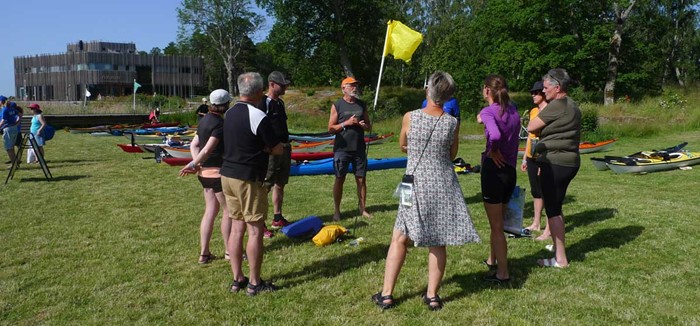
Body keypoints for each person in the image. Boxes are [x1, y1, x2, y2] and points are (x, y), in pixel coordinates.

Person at [372, 72, 480, 311]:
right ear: (449, 95)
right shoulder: (452, 122)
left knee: (399, 237)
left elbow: (402, 145)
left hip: (413, 184)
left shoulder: (410, 117)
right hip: (443, 185)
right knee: (438, 241)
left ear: (428, 91)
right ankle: (432, 296)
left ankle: (387, 294)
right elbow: (452, 155)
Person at [220, 72, 283, 295]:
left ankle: (237, 279)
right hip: (248, 177)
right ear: (259, 92)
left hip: (227, 175)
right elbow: (277, 148)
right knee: (255, 230)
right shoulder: (257, 115)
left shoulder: (228, 113)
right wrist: (263, 149)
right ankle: (255, 282)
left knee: (237, 228)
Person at [527, 68, 581, 268]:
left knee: (553, 210)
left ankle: (561, 259)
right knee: (556, 205)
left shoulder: (556, 105)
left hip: (555, 162)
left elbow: (532, 126)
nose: (543, 90)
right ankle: (558, 248)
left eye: (546, 87)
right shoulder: (573, 105)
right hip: (570, 162)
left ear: (557, 88)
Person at [179, 89, 232, 264]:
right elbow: (208, 148)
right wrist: (193, 164)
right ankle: (228, 252)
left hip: (204, 174)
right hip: (218, 175)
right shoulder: (220, 124)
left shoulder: (203, 121)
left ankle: (204, 253)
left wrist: (198, 164)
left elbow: (194, 145)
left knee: (210, 211)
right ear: (225, 105)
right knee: (228, 212)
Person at [479, 74, 521, 283]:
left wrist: (493, 150)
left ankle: (502, 273)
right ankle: (492, 259)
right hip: (509, 172)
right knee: (498, 222)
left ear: (487, 90)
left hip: (494, 172)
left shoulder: (488, 111)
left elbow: (494, 135)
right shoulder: (513, 111)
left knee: (496, 226)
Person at [328, 77, 372, 221]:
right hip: (342, 149)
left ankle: (363, 209)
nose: (354, 88)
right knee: (340, 179)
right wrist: (346, 123)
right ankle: (336, 211)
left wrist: (363, 125)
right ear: (343, 88)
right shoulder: (337, 105)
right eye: (351, 86)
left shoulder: (361, 105)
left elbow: (369, 126)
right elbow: (330, 128)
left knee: (361, 179)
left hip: (359, 148)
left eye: (356, 85)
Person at [261, 71, 293, 237]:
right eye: (282, 85)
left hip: (285, 148)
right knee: (265, 187)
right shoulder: (263, 103)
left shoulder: (280, 103)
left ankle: (277, 217)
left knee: (281, 184)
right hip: (271, 151)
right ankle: (260, 224)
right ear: (272, 84)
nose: (285, 87)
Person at [522, 81, 550, 240]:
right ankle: (536, 222)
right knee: (535, 190)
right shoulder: (533, 111)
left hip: (543, 155)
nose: (533, 95)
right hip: (531, 154)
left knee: (546, 191)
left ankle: (548, 226)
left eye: (536, 92)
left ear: (543, 94)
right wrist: (525, 158)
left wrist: (544, 159)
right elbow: (529, 136)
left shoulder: (550, 110)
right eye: (532, 92)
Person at [0, 97, 20, 164]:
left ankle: (13, 164)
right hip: (14, 128)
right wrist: (16, 123)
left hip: (8, 129)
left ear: (2, 102)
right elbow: (19, 115)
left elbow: (3, 120)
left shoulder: (4, 109)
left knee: (8, 148)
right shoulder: (12, 109)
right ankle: (16, 162)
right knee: (11, 146)